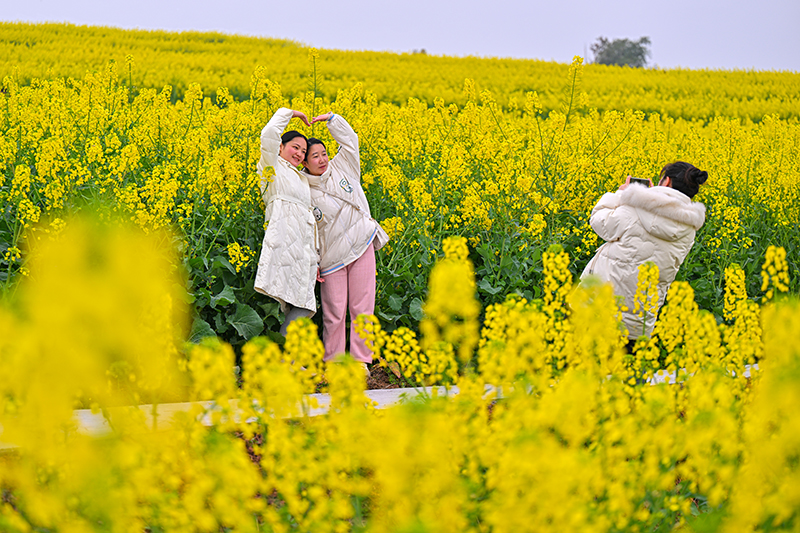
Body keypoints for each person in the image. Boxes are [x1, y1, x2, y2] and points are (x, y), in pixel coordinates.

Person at [581, 161, 708, 349]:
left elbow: (600, 222)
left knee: (582, 371)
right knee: (626, 375)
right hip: (639, 321)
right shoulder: (689, 227)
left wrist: (622, 195)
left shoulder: (636, 207)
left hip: (598, 308)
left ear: (666, 182)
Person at [302, 112, 388, 375]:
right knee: (334, 311)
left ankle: (361, 360)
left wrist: (332, 120)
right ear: (304, 162)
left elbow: (351, 140)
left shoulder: (344, 166)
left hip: (361, 243)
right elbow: (306, 229)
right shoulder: (301, 186)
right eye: (314, 156)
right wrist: (312, 260)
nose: (322, 159)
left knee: (363, 306)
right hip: (330, 258)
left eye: (324, 153)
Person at [254, 107, 318, 336]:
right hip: (282, 240)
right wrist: (289, 113)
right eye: (295, 147)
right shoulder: (271, 166)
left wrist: (315, 257)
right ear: (280, 147)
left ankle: (288, 357)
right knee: (284, 297)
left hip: (303, 246)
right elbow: (269, 133)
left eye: (303, 151)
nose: (300, 154)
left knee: (303, 302)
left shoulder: (302, 178)